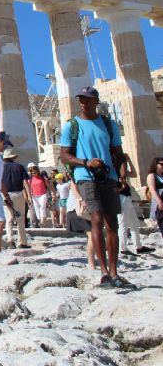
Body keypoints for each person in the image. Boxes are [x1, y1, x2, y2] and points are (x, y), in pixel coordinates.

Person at [59, 86, 130, 288]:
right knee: (96, 218)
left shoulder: (109, 125)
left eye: (88, 99)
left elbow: (118, 153)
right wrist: (85, 162)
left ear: (96, 101)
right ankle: (104, 272)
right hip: (85, 176)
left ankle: (114, 271)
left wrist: (122, 175)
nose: (84, 102)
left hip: (109, 177)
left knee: (112, 224)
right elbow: (64, 155)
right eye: (81, 99)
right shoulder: (71, 126)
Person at [1, 149, 31, 249]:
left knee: (9, 218)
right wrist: (29, 195)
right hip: (18, 194)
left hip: (5, 195)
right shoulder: (19, 166)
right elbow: (25, 182)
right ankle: (22, 242)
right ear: (13, 157)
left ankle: (10, 241)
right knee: (20, 218)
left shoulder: (0, 167)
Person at [26, 163, 50, 228]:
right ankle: (41, 221)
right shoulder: (30, 179)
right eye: (32, 173)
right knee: (36, 208)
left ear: (38, 172)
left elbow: (48, 185)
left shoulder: (42, 177)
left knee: (42, 207)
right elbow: (28, 188)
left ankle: (42, 221)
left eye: (35, 172)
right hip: (34, 195)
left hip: (43, 194)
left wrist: (52, 193)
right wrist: (28, 196)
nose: (34, 174)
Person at [148, 157, 163, 239]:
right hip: (160, 201)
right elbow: (153, 190)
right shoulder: (152, 176)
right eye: (161, 164)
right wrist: (160, 202)